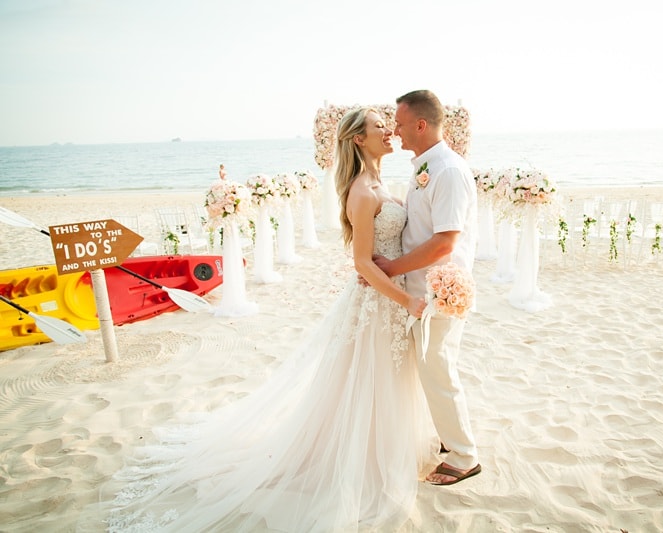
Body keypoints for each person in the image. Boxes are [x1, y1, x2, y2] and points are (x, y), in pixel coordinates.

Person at [82, 108, 439, 532]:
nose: (389, 131)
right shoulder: (362, 191)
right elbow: (362, 263)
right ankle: (360, 463)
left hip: (389, 301)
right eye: (379, 126)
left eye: (388, 123)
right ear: (359, 140)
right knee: (367, 382)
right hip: (378, 302)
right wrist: (405, 299)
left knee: (388, 382)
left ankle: (385, 454)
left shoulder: (383, 182)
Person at [374, 89, 481, 486]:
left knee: (438, 369)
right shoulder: (426, 167)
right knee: (431, 368)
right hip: (421, 289)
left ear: (421, 124)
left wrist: (391, 267)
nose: (395, 132)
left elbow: (445, 242)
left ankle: (465, 456)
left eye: (400, 124)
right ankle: (449, 438)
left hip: (441, 291)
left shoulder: (449, 171)